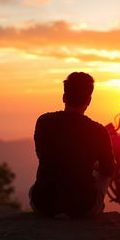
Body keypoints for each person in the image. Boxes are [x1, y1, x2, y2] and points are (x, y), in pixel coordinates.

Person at [29, 72, 115, 218]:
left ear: (64, 97)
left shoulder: (43, 121)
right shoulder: (98, 131)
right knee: (106, 170)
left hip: (43, 206)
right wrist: (91, 166)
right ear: (88, 100)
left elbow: (43, 156)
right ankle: (95, 205)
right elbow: (109, 170)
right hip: (81, 209)